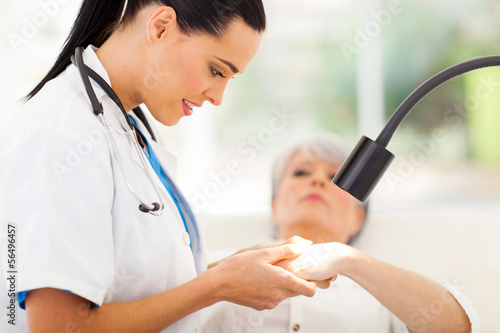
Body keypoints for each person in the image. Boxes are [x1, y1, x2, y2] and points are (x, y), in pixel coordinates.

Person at [0, 1, 325, 332]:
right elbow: (61, 326)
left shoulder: (128, 126)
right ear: (160, 27)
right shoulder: (65, 134)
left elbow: (136, 287)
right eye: (216, 70)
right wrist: (219, 285)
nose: (218, 97)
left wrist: (234, 270)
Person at [201, 133, 479, 333]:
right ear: (275, 206)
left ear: (357, 218)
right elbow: (160, 311)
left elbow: (458, 328)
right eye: (300, 173)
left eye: (335, 176)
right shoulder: (207, 267)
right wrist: (225, 271)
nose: (317, 180)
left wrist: (350, 261)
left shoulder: (384, 292)